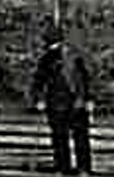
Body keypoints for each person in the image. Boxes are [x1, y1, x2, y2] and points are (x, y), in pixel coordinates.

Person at [30, 16, 91, 175]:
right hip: (77, 101)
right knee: (80, 137)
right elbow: (84, 78)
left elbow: (39, 79)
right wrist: (86, 98)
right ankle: (84, 168)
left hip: (57, 102)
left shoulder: (48, 58)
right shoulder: (74, 54)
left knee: (59, 137)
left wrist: (38, 99)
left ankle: (63, 167)